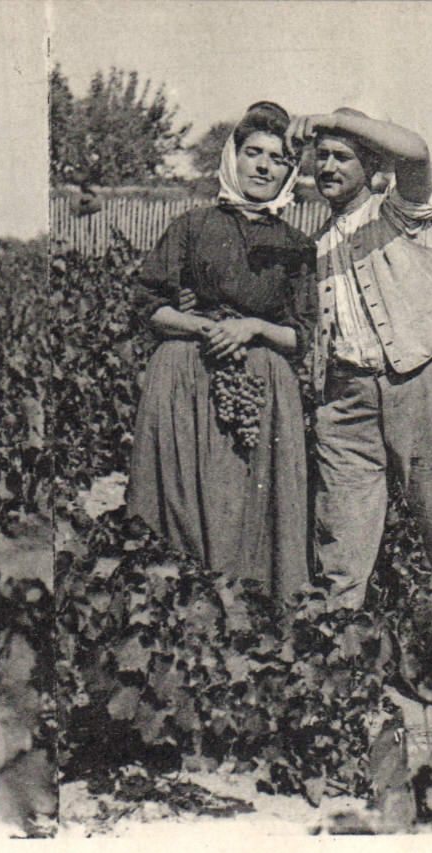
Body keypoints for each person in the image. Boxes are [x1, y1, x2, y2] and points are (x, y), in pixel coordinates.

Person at [289, 107, 432, 694]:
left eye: (343, 156)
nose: (327, 166)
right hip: (346, 400)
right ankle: (332, 679)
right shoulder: (316, 245)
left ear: (371, 166)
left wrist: (335, 116)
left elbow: (416, 151)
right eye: (322, 156)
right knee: (341, 544)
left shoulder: (405, 214)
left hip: (420, 386)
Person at [124, 101, 317, 602]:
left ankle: (250, 610)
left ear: (289, 171)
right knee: (183, 497)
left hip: (261, 384)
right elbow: (149, 304)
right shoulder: (192, 226)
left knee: (243, 502)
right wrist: (202, 325)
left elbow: (304, 335)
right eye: (253, 152)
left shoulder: (297, 246)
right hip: (186, 374)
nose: (262, 166)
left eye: (277, 159)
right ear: (233, 158)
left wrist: (253, 327)